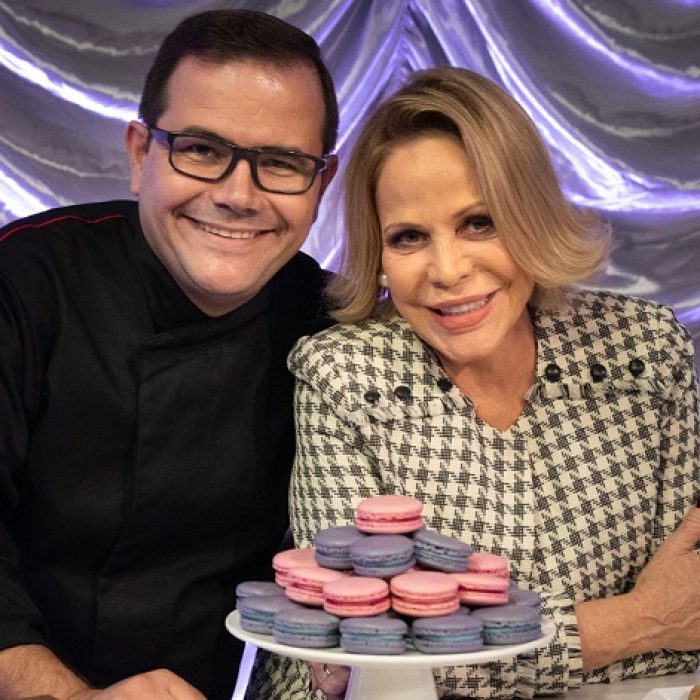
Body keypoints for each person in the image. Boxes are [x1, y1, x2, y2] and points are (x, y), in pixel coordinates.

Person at [250, 67, 700, 698]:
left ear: (531, 214)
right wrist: (634, 623)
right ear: (380, 257)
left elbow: (690, 616)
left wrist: (457, 655)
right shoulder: (341, 376)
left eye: (479, 223)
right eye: (409, 237)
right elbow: (360, 663)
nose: (447, 269)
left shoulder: (642, 350)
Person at [0, 9, 340, 700]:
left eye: (281, 164)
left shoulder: (331, 326)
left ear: (321, 185)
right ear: (139, 154)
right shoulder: (24, 281)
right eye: (202, 149)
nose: (238, 195)